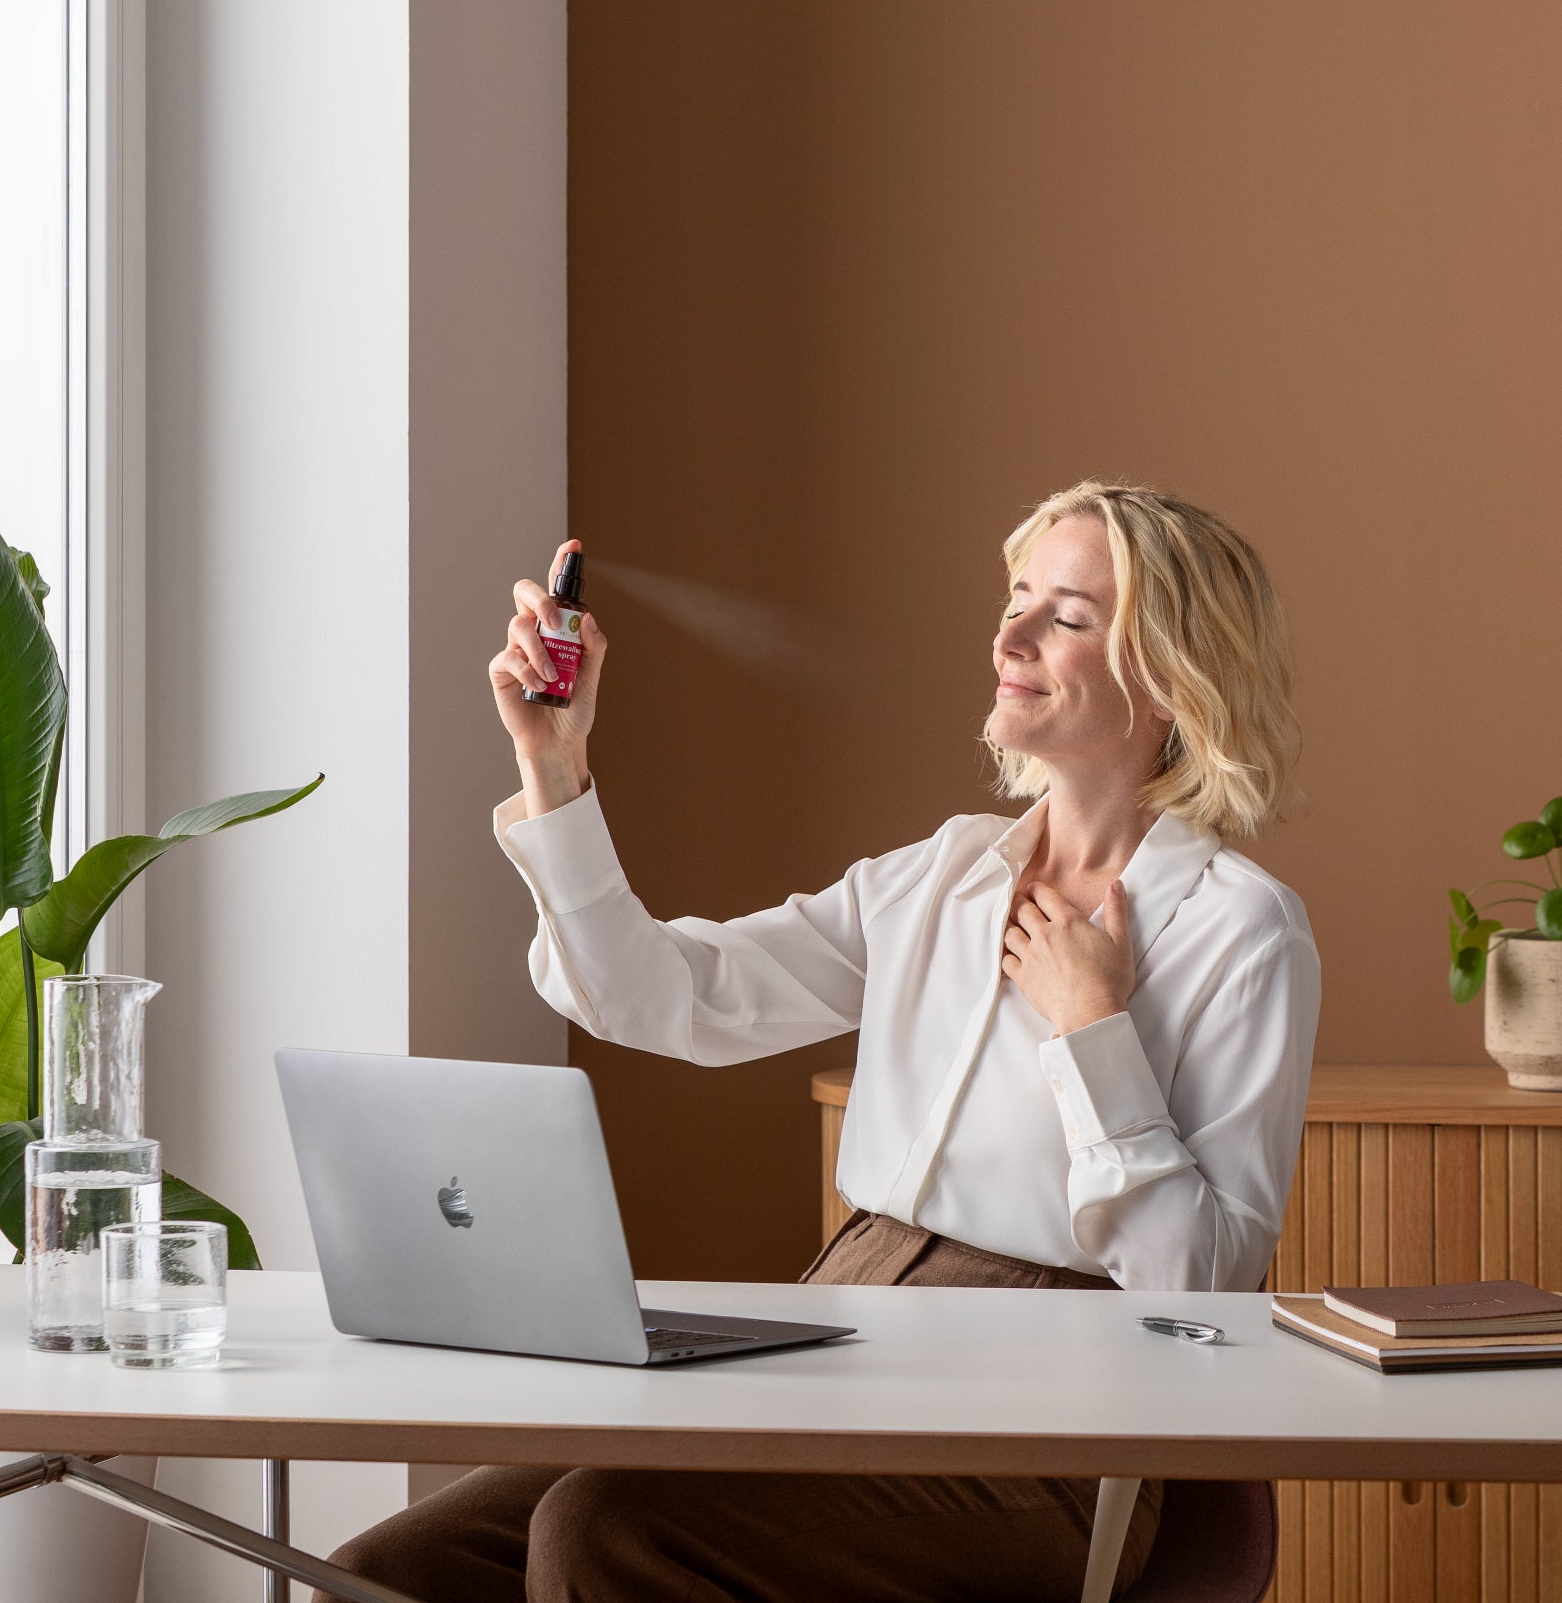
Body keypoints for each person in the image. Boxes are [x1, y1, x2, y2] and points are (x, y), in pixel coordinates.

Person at [323, 481, 1319, 1603]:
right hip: (839, 1331)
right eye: (1015, 601)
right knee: (391, 1570)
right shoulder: (943, 871)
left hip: (1064, 1433)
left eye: (1068, 616)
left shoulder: (1244, 930)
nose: (1009, 637)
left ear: (1175, 676)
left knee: (605, 1532)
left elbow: (1200, 1286)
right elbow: (667, 996)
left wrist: (1093, 1027)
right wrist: (555, 767)